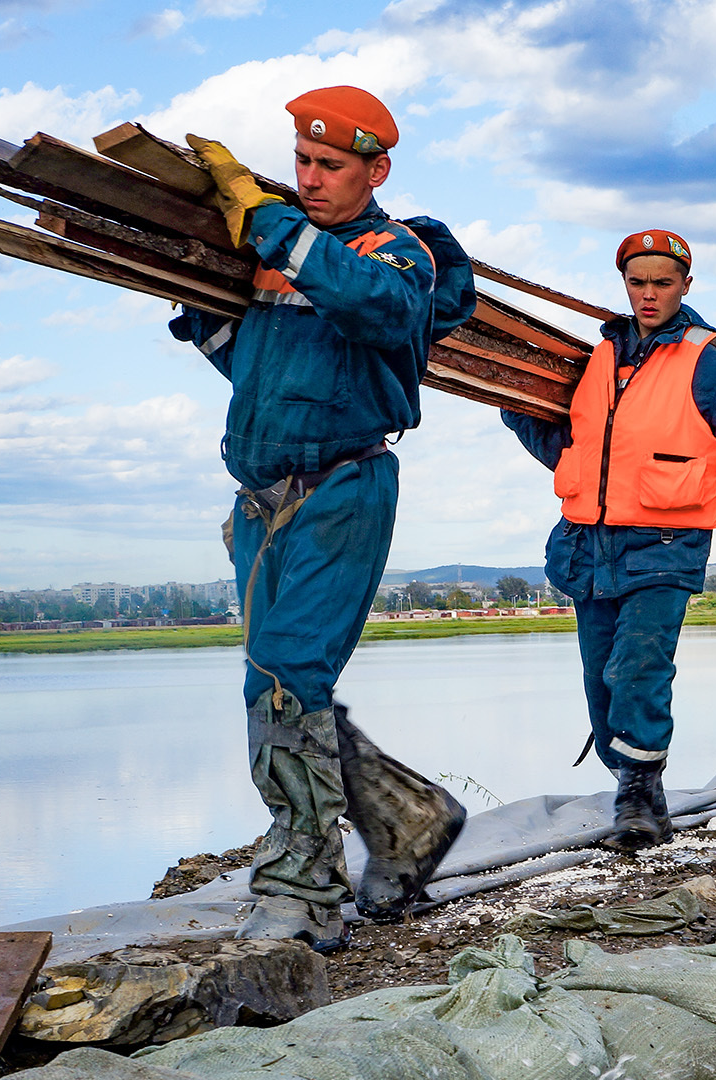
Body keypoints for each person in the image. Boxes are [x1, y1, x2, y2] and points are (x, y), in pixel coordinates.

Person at [168, 86, 476, 950]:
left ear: (375, 169)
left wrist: (268, 223)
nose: (308, 179)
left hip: (343, 490)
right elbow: (266, 373)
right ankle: (410, 820)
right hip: (262, 498)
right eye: (300, 162)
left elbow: (377, 309)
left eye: (329, 165)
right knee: (286, 684)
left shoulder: (394, 255)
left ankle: (303, 890)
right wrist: (208, 313)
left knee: (283, 680)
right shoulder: (281, 255)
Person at [503, 230, 716, 852]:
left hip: (665, 541)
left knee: (638, 668)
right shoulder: (600, 356)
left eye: (662, 283)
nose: (648, 294)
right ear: (624, 285)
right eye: (637, 283)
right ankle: (636, 785)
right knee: (600, 680)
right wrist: (515, 401)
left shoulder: (713, 360)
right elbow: (576, 448)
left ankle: (637, 792)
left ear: (686, 283)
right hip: (587, 544)